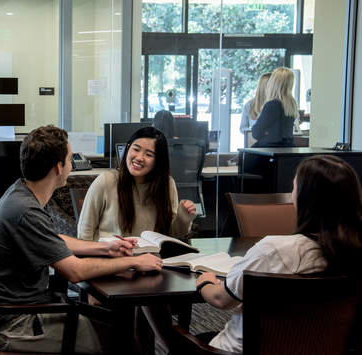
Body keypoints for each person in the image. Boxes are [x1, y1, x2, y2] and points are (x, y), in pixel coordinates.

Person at [0, 125, 162, 354]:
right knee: (125, 339)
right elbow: (76, 272)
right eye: (69, 160)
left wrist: (105, 248)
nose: (72, 165)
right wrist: (133, 261)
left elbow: (53, 239)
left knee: (119, 327)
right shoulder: (26, 211)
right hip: (15, 322)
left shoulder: (20, 192)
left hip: (14, 310)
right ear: (58, 168)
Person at [195, 155, 362, 353]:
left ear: (304, 198)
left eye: (294, 187)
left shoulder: (274, 250)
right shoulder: (355, 253)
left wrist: (204, 281)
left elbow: (220, 299)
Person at [77, 126, 197, 242]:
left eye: (148, 154)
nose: (139, 157)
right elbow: (84, 232)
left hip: (152, 257)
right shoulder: (106, 180)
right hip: (112, 258)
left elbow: (171, 234)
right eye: (136, 149)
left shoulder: (167, 184)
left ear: (158, 161)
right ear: (128, 148)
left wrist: (183, 217)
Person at [251, 67, 298, 147]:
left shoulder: (272, 105)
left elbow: (256, 133)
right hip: (288, 148)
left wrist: (267, 133)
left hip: (270, 149)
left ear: (273, 83)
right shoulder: (292, 104)